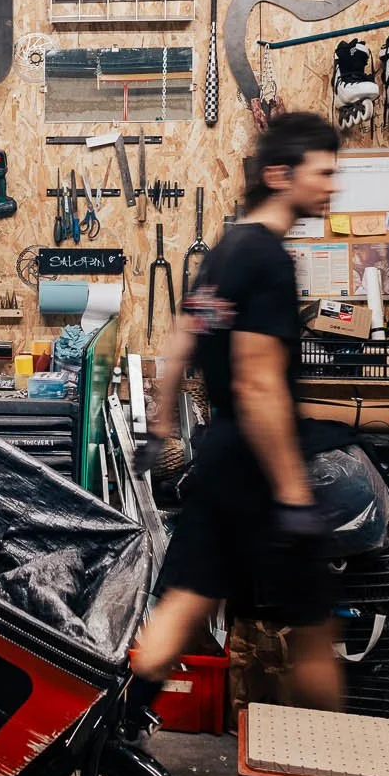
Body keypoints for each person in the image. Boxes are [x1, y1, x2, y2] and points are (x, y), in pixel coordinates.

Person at [127, 110, 345, 733]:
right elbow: (257, 381)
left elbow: (179, 342)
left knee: (187, 598)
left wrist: (161, 428)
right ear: (280, 175)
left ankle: (109, 731)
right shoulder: (269, 260)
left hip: (220, 456)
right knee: (311, 626)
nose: (332, 187)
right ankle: (332, 767)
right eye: (324, 173)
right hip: (258, 465)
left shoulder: (225, 250)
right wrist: (294, 494)